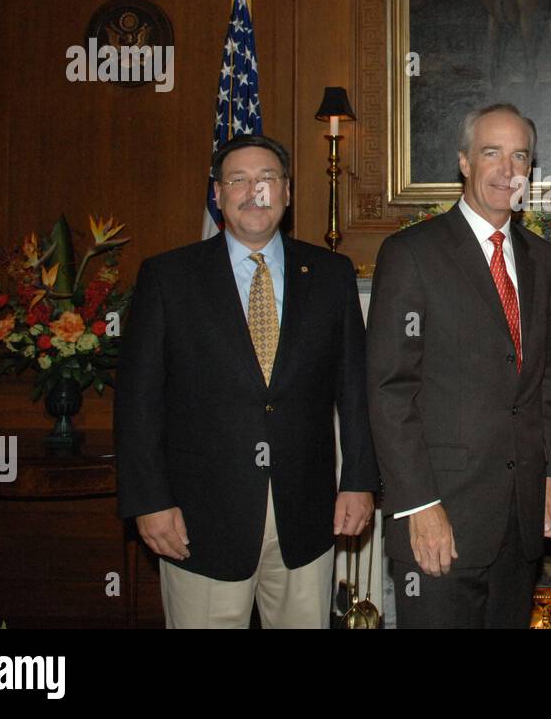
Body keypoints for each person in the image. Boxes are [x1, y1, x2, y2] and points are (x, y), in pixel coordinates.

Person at [115, 134, 378, 628]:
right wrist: (149, 501)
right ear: (217, 194)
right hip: (200, 522)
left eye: (267, 179)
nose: (253, 191)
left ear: (287, 192)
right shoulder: (168, 278)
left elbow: (355, 390)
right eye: (238, 179)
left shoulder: (331, 274)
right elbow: (138, 402)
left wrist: (360, 481)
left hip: (306, 517)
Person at [368, 103, 551, 628]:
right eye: (491, 153)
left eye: (519, 155)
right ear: (463, 162)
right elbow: (390, 390)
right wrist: (417, 505)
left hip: (520, 520)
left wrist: (549, 477)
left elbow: (546, 383)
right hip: (441, 517)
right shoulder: (411, 253)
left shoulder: (541, 260)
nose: (507, 170)